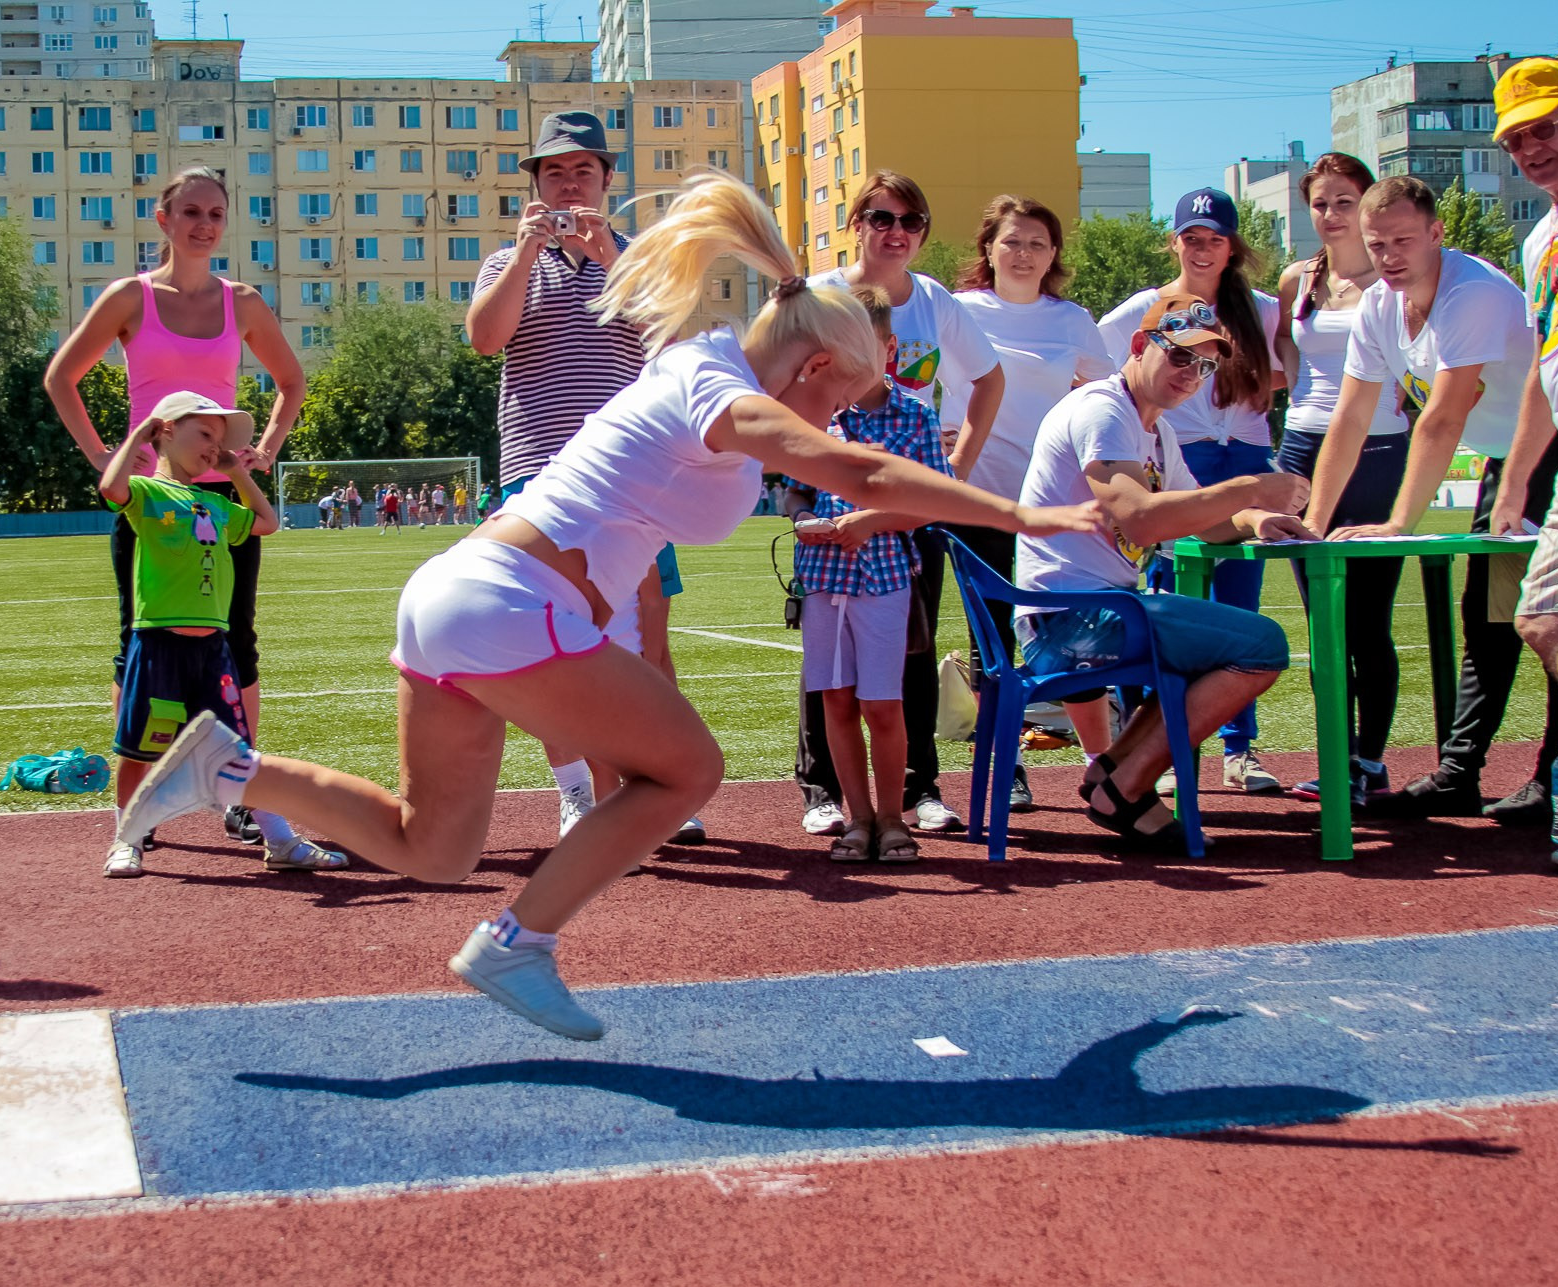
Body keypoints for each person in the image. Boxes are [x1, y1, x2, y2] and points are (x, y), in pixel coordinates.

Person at [114, 171, 1100, 1040]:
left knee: (433, 844)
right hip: (511, 600)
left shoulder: (699, 354)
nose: (836, 416)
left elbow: (724, 346)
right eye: (837, 395)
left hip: (457, 592)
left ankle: (227, 766)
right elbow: (856, 467)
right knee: (685, 770)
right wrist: (1020, 511)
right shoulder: (732, 396)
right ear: (807, 370)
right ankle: (517, 944)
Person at [46, 166, 339, 868]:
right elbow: (62, 376)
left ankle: (239, 796)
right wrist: (103, 455)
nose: (203, 224)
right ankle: (139, 806)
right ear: (163, 219)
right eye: (190, 212)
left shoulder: (243, 303)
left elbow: (292, 380)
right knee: (140, 641)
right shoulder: (129, 297)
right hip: (154, 503)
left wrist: (265, 446)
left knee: (236, 642)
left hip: (225, 498)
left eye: (215, 212)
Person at [467, 109, 706, 844]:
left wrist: (610, 261)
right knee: (555, 642)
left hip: (635, 475)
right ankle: (576, 790)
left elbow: (673, 344)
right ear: (533, 185)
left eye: (583, 171)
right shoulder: (507, 261)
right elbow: (485, 338)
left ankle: (665, 787)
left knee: (650, 641)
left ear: (607, 181)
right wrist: (523, 253)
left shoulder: (639, 258)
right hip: (538, 474)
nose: (569, 184)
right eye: (554, 172)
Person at [1020, 293, 1309, 849]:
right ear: (1138, 346)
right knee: (1262, 646)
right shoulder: (1104, 410)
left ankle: (1114, 776)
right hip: (1072, 617)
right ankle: (1125, 785)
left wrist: (1256, 519)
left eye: (1204, 365)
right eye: (1180, 357)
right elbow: (1143, 520)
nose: (1192, 374)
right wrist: (1249, 487)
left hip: (1088, 611)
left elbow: (1203, 518)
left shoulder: (1153, 429)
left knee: (1224, 648)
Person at [1309, 175, 1547, 822]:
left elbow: (1442, 417)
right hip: (1510, 456)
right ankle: (1461, 774)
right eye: (1376, 243)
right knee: (1490, 617)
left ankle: (1545, 778)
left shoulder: (1473, 293)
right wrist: (1312, 523)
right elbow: (1350, 419)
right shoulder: (1380, 308)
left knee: (1545, 621)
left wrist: (1397, 524)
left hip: (1549, 450)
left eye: (1404, 241)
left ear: (1439, 234)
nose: (1388, 256)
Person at [808, 171, 1006, 836]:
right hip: (830, 491)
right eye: (882, 217)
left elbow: (988, 380)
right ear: (856, 223)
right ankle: (825, 791)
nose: (897, 232)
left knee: (913, 652)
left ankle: (918, 787)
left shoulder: (936, 302)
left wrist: (953, 472)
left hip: (908, 505)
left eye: (911, 221)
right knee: (829, 666)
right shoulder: (819, 295)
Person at [98, 392, 340, 877]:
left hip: (213, 647)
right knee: (137, 751)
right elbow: (111, 488)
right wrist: (136, 437)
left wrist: (236, 471)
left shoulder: (217, 503)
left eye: (220, 439)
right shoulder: (148, 494)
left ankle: (280, 841)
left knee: (239, 750)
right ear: (165, 430)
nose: (215, 445)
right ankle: (126, 839)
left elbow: (267, 523)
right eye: (205, 434)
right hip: (158, 645)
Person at [1098, 187, 1287, 795]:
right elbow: (1099, 358)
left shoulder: (1260, 307)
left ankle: (1238, 749)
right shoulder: (1145, 309)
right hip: (1183, 457)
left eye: (1216, 239)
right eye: (1192, 238)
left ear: (1233, 248)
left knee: (1240, 606)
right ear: (1174, 242)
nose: (1203, 250)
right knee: (1173, 600)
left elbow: (1287, 370)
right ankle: (1160, 746)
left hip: (1245, 452)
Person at [942, 195, 1115, 812]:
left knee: (1073, 636)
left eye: (1037, 243)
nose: (1023, 253)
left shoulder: (1072, 321)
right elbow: (907, 371)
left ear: (1054, 256)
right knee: (992, 643)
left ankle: (1104, 766)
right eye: (1011, 241)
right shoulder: (957, 310)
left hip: (1052, 509)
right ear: (988, 249)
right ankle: (1005, 763)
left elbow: (1110, 396)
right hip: (977, 500)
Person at [783, 287, 953, 863]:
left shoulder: (917, 417)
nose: (848, 364)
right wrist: (803, 519)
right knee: (836, 701)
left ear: (888, 348)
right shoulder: (815, 417)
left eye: (863, 348)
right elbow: (794, 489)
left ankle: (890, 817)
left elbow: (937, 501)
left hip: (884, 580)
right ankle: (857, 817)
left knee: (884, 704)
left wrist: (873, 521)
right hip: (822, 579)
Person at [1270, 153, 1412, 807]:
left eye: (1344, 201)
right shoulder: (1297, 280)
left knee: (1368, 622)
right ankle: (1335, 758)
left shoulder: (1397, 281)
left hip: (1380, 449)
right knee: (1321, 619)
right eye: (1320, 203)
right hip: (1303, 446)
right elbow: (1288, 366)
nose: (1330, 215)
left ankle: (1370, 761)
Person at [1495, 57, 1558, 866]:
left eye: (1545, 130)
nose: (1531, 150)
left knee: (1544, 616)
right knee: (1543, 617)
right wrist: (1514, 479)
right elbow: (1548, 372)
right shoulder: (1540, 237)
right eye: (1516, 141)